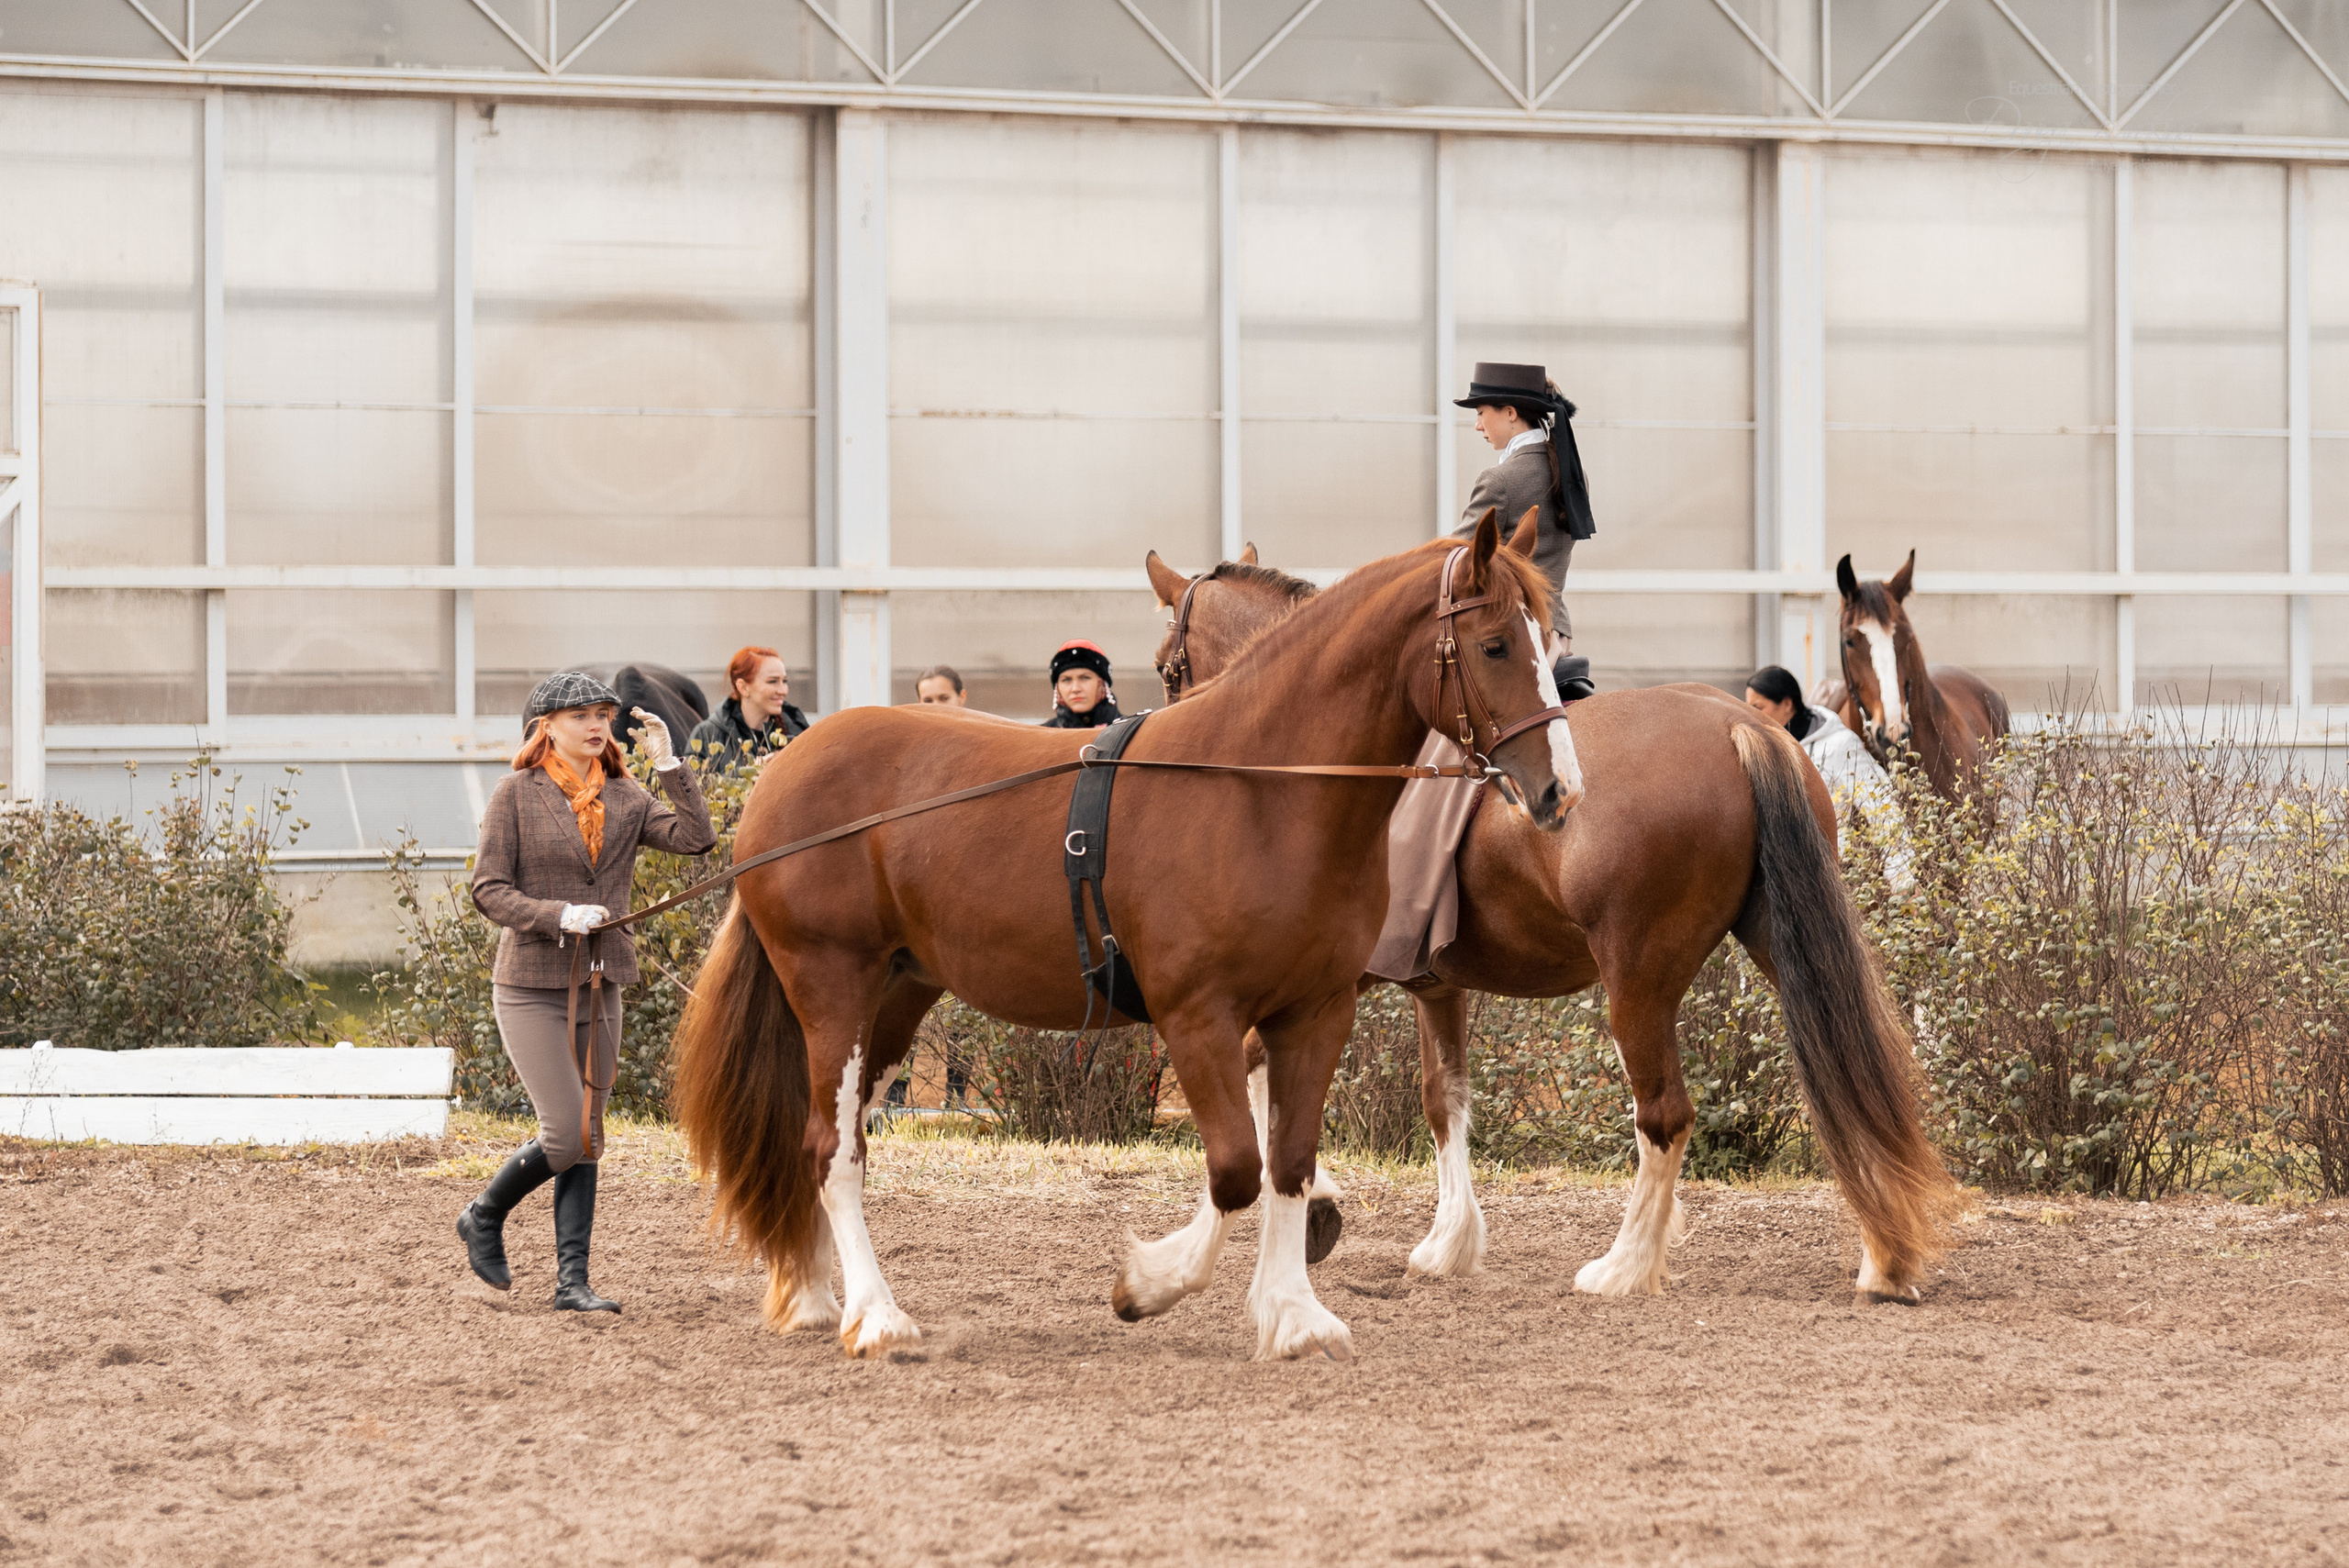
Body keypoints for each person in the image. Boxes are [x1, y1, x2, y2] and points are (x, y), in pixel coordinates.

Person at [460, 672, 718, 1313]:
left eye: (602, 714)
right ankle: (484, 1213)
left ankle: (571, 1282)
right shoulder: (515, 793)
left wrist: (669, 763)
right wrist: (558, 915)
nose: (597, 725)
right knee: (565, 1133)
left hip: (601, 982)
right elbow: (488, 889)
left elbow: (696, 839)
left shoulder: (627, 796)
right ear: (546, 727)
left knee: (589, 1134)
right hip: (530, 985)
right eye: (581, 715)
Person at [1452, 361, 1598, 700]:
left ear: (1510, 413)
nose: (1477, 425)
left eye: (1481, 413)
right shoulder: (1570, 473)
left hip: (1513, 635)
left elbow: (1458, 556)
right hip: (1557, 630)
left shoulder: (1500, 480)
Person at [1743, 664, 1891, 807]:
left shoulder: (1839, 745)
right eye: (1747, 708)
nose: (1751, 715)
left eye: (1758, 708)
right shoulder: (1760, 751)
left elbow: (1883, 806)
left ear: (1787, 704)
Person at [688, 645, 808, 767]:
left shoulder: (798, 730)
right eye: (772, 681)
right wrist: (752, 771)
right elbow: (691, 779)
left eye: (784, 681)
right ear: (743, 688)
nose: (783, 691)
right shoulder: (707, 735)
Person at [1040, 639, 1121, 728]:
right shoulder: (1042, 734)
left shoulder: (1129, 731)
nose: (1075, 689)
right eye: (1066, 680)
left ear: (1102, 684)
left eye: (1085, 678)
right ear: (1057, 688)